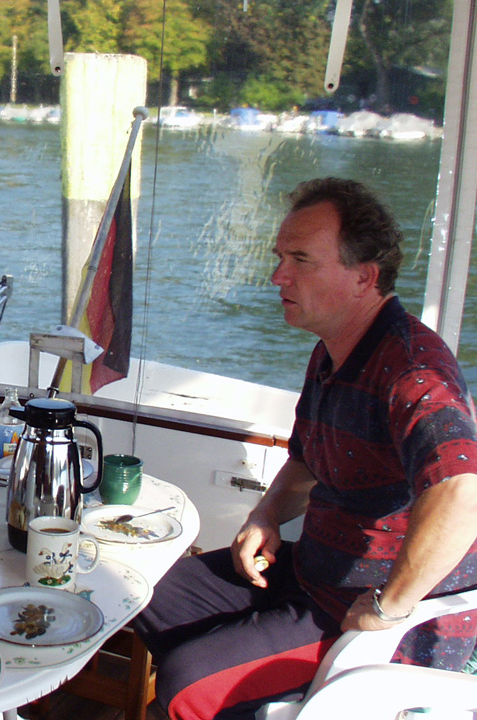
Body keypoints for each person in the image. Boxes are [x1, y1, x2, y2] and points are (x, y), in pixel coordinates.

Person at [133, 177, 477, 720]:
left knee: (187, 685)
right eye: (280, 257)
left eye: (300, 260)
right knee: (140, 592)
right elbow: (306, 458)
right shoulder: (334, 350)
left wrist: (389, 607)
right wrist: (267, 514)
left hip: (373, 613)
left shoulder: (413, 371)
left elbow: (461, 493)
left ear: (364, 276)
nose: (278, 276)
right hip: (313, 572)